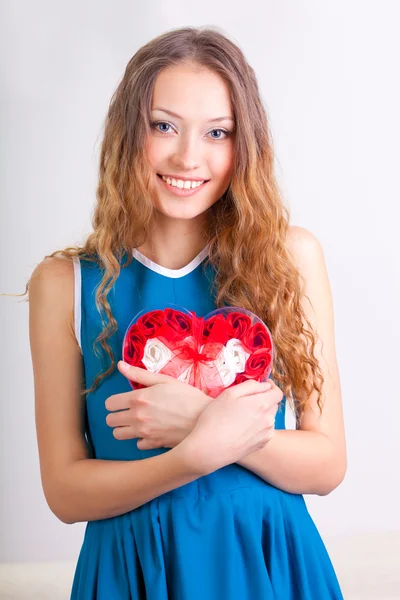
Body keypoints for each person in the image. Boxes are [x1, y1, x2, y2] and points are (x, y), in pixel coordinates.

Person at [27, 26, 346, 599]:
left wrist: (203, 417)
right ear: (128, 134)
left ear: (243, 144)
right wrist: (198, 451)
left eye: (217, 132)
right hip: (132, 573)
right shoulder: (66, 285)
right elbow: (65, 492)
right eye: (164, 125)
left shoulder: (290, 259)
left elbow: (326, 464)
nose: (188, 156)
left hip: (267, 565)